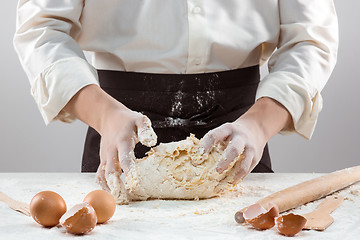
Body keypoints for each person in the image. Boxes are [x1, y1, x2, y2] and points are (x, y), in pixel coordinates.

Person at [14, 1, 338, 194]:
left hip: (237, 136)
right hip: (118, 129)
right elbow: (42, 30)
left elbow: (310, 38)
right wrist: (103, 115)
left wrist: (258, 124)